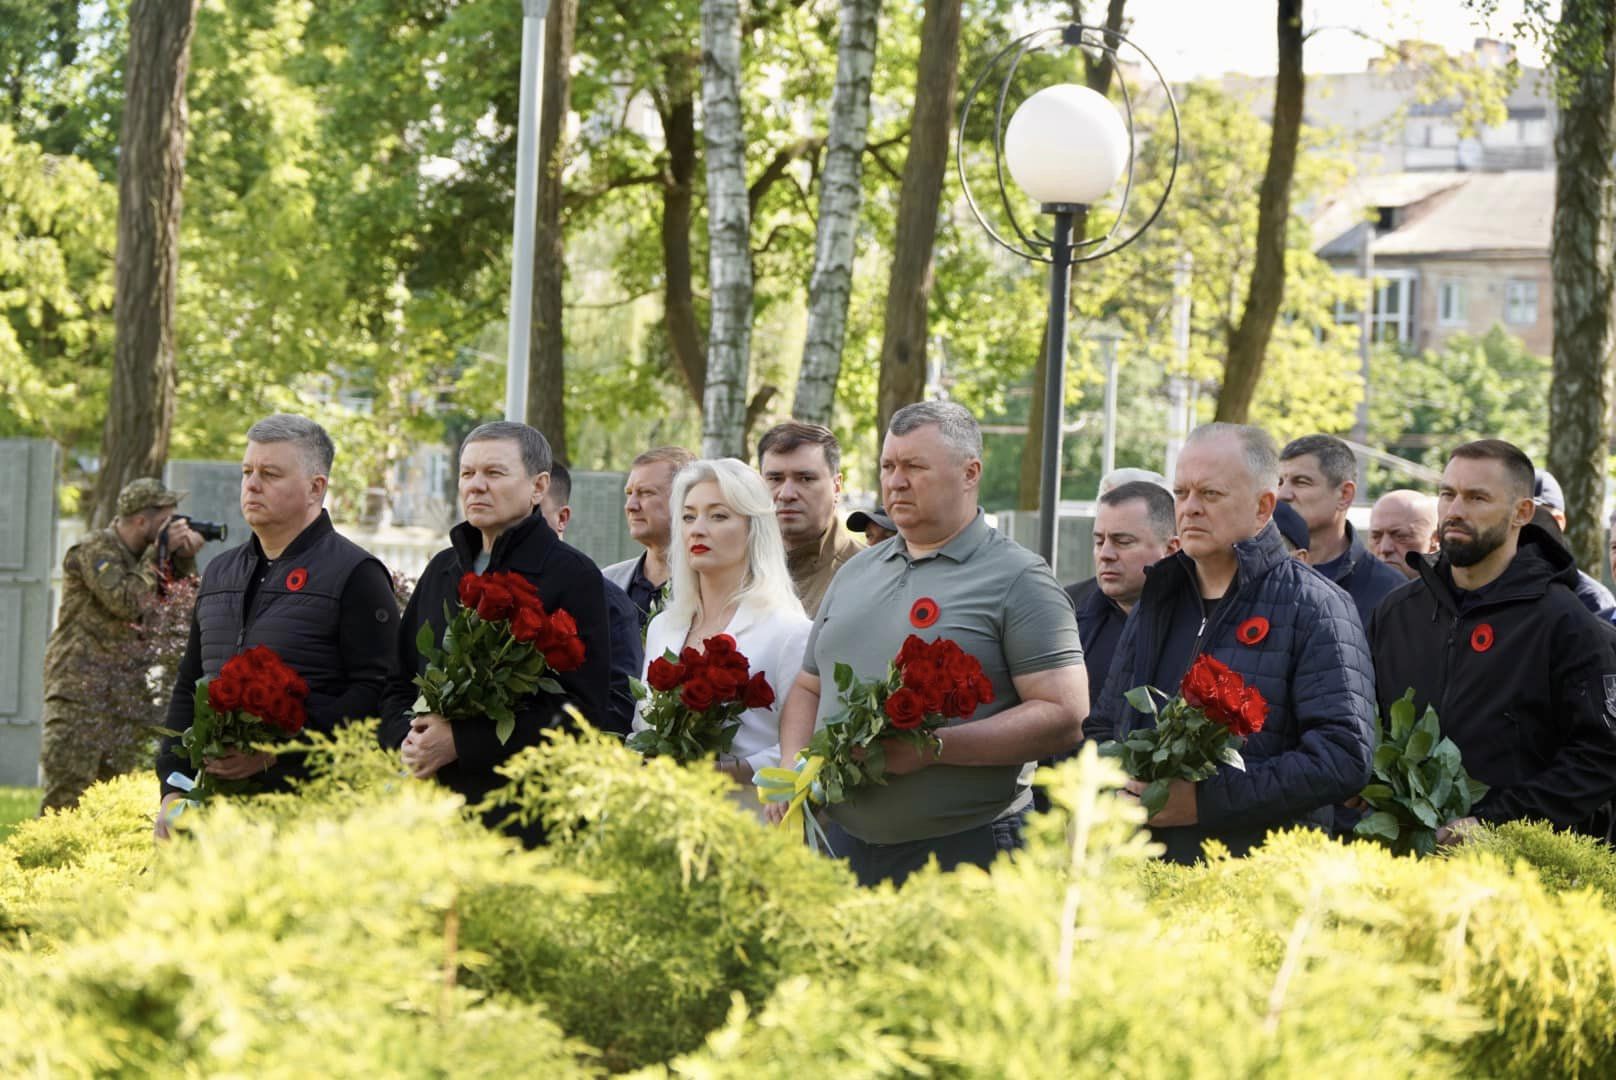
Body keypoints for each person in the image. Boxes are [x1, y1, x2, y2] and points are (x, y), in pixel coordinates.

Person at [777, 402, 1088, 887]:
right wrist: (792, 769)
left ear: (970, 473)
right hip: (840, 850)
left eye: (914, 466)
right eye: (887, 466)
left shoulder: (1020, 578)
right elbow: (808, 686)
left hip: (965, 855)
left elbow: (1064, 715)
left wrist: (930, 749)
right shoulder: (857, 570)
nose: (895, 482)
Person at [1087, 423, 1375, 866]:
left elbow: (1342, 757)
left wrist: (1204, 802)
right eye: (1182, 493)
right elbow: (1106, 725)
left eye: (1211, 494)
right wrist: (1119, 794)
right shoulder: (1157, 598)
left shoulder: (1315, 606)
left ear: (1263, 507)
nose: (1190, 509)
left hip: (1253, 880)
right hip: (1140, 872)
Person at [154, 415, 398, 837]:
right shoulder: (220, 572)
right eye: (247, 472)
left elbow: (377, 693)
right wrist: (173, 789)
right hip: (212, 812)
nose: (252, 484)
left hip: (309, 818)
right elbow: (189, 684)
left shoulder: (356, 574)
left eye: (270, 474)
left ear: (316, 487)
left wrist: (277, 751)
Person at [1369, 441, 1616, 840]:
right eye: (1447, 494)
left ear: (1522, 512)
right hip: (1401, 860)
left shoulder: (1566, 623)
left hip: (1519, 870)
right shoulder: (1395, 613)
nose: (1455, 510)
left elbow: (1600, 756)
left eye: (1477, 497)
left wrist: (1498, 825)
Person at [380, 422, 611, 845]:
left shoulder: (572, 576)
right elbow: (396, 682)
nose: (476, 487)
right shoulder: (441, 570)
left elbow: (583, 712)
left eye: (494, 473)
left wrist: (463, 742)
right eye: (467, 474)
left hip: (522, 817)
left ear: (539, 486)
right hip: (430, 812)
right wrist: (407, 739)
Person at [634, 459, 811, 816]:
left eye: (718, 516)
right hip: (663, 822)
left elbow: (802, 749)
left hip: (746, 825)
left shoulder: (789, 631)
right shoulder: (664, 626)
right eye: (688, 517)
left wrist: (726, 771)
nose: (698, 530)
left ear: (752, 529)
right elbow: (642, 725)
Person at [40, 479, 204, 811]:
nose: (175, 527)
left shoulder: (151, 558)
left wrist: (183, 559)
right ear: (142, 521)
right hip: (79, 691)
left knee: (112, 802)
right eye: (167, 521)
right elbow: (128, 601)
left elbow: (184, 610)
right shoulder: (95, 549)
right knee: (67, 797)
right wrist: (158, 553)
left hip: (125, 694)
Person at [539, 461, 642, 735]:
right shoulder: (474, 590)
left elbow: (618, 711)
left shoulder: (606, 601)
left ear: (562, 518)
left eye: (533, 514)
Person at [1278, 435, 1404, 625]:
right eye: (1280, 482)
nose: (1283, 495)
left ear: (1345, 495)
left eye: (1301, 482)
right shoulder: (1251, 573)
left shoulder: (1390, 592)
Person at [757, 421, 863, 617]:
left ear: (837, 487)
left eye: (805, 478)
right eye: (775, 479)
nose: (786, 494)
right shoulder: (737, 569)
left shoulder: (869, 574)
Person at [604, 446, 696, 627]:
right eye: (629, 494)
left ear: (685, 500)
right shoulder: (606, 582)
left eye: (646, 493)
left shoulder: (711, 586)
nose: (630, 505)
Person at [1066, 468, 1174, 610]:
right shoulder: (1067, 608)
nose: (1105, 554)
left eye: (1123, 541)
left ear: (1170, 549)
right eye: (1099, 542)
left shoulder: (1201, 616)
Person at [1531, 469, 1616, 619]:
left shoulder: (1590, 599)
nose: (1517, 524)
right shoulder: (1489, 588)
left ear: (1558, 521)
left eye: (1530, 514)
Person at [1368, 489, 1439, 579]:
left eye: (1401, 536)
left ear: (1435, 539)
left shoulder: (1454, 589)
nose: (1384, 548)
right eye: (1376, 537)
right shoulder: (1352, 590)